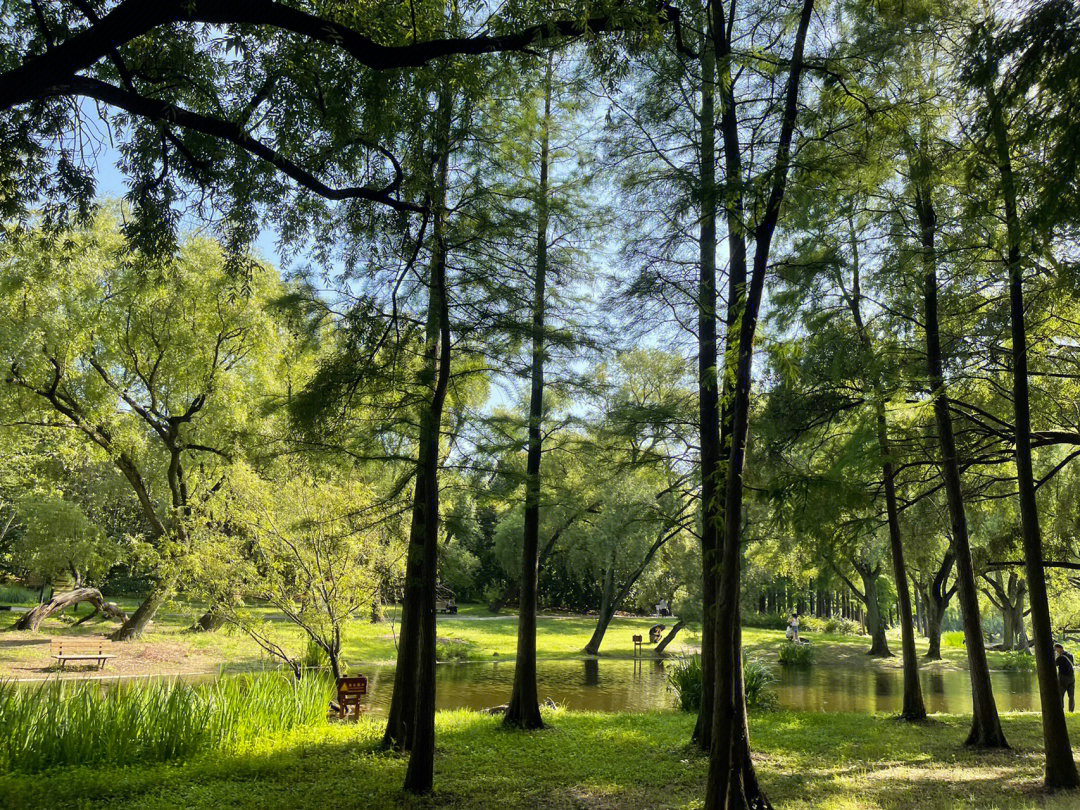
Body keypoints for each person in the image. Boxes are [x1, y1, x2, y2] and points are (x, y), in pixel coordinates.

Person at [1055, 643, 1075, 712]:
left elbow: (1055, 664)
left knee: (1060, 695)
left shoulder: (1060, 657)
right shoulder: (1071, 656)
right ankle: (1071, 710)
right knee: (1071, 696)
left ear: (1059, 648)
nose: (1055, 651)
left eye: (1056, 649)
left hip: (1063, 678)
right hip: (1071, 677)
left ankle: (1061, 709)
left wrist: (1056, 656)